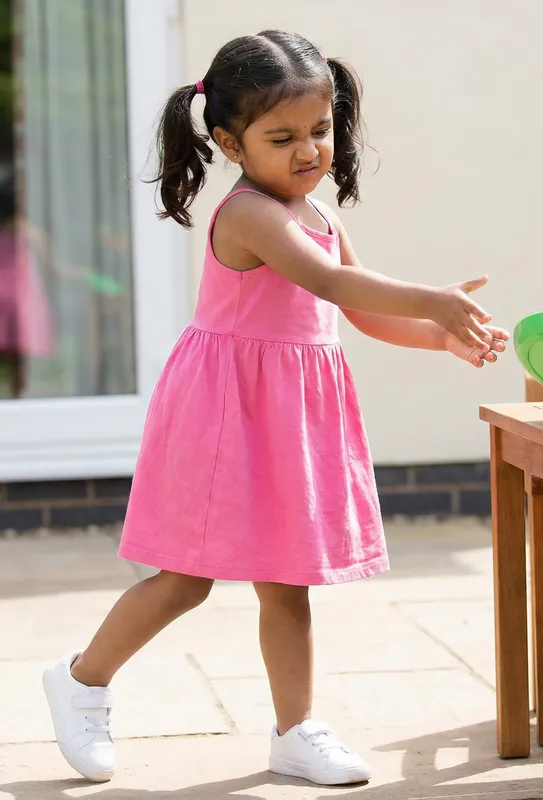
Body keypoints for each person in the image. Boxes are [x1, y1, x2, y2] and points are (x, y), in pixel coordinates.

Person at [42, 29, 509, 787]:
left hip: (285, 418)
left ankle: (296, 730)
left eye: (320, 130)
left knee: (288, 579)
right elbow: (331, 284)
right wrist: (432, 297)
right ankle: (81, 680)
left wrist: (440, 337)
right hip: (224, 414)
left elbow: (361, 312)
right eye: (282, 137)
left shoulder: (317, 213)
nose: (308, 151)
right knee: (185, 579)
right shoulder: (250, 214)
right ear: (230, 143)